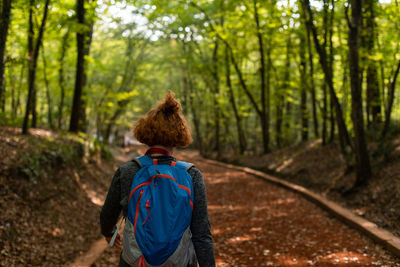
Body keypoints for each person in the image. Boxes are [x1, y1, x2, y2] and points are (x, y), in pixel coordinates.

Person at [100, 91, 215, 267]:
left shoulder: (127, 171)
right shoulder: (192, 175)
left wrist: (109, 231)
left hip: (135, 262)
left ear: (146, 134)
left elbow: (108, 213)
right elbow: (202, 234)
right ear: (179, 136)